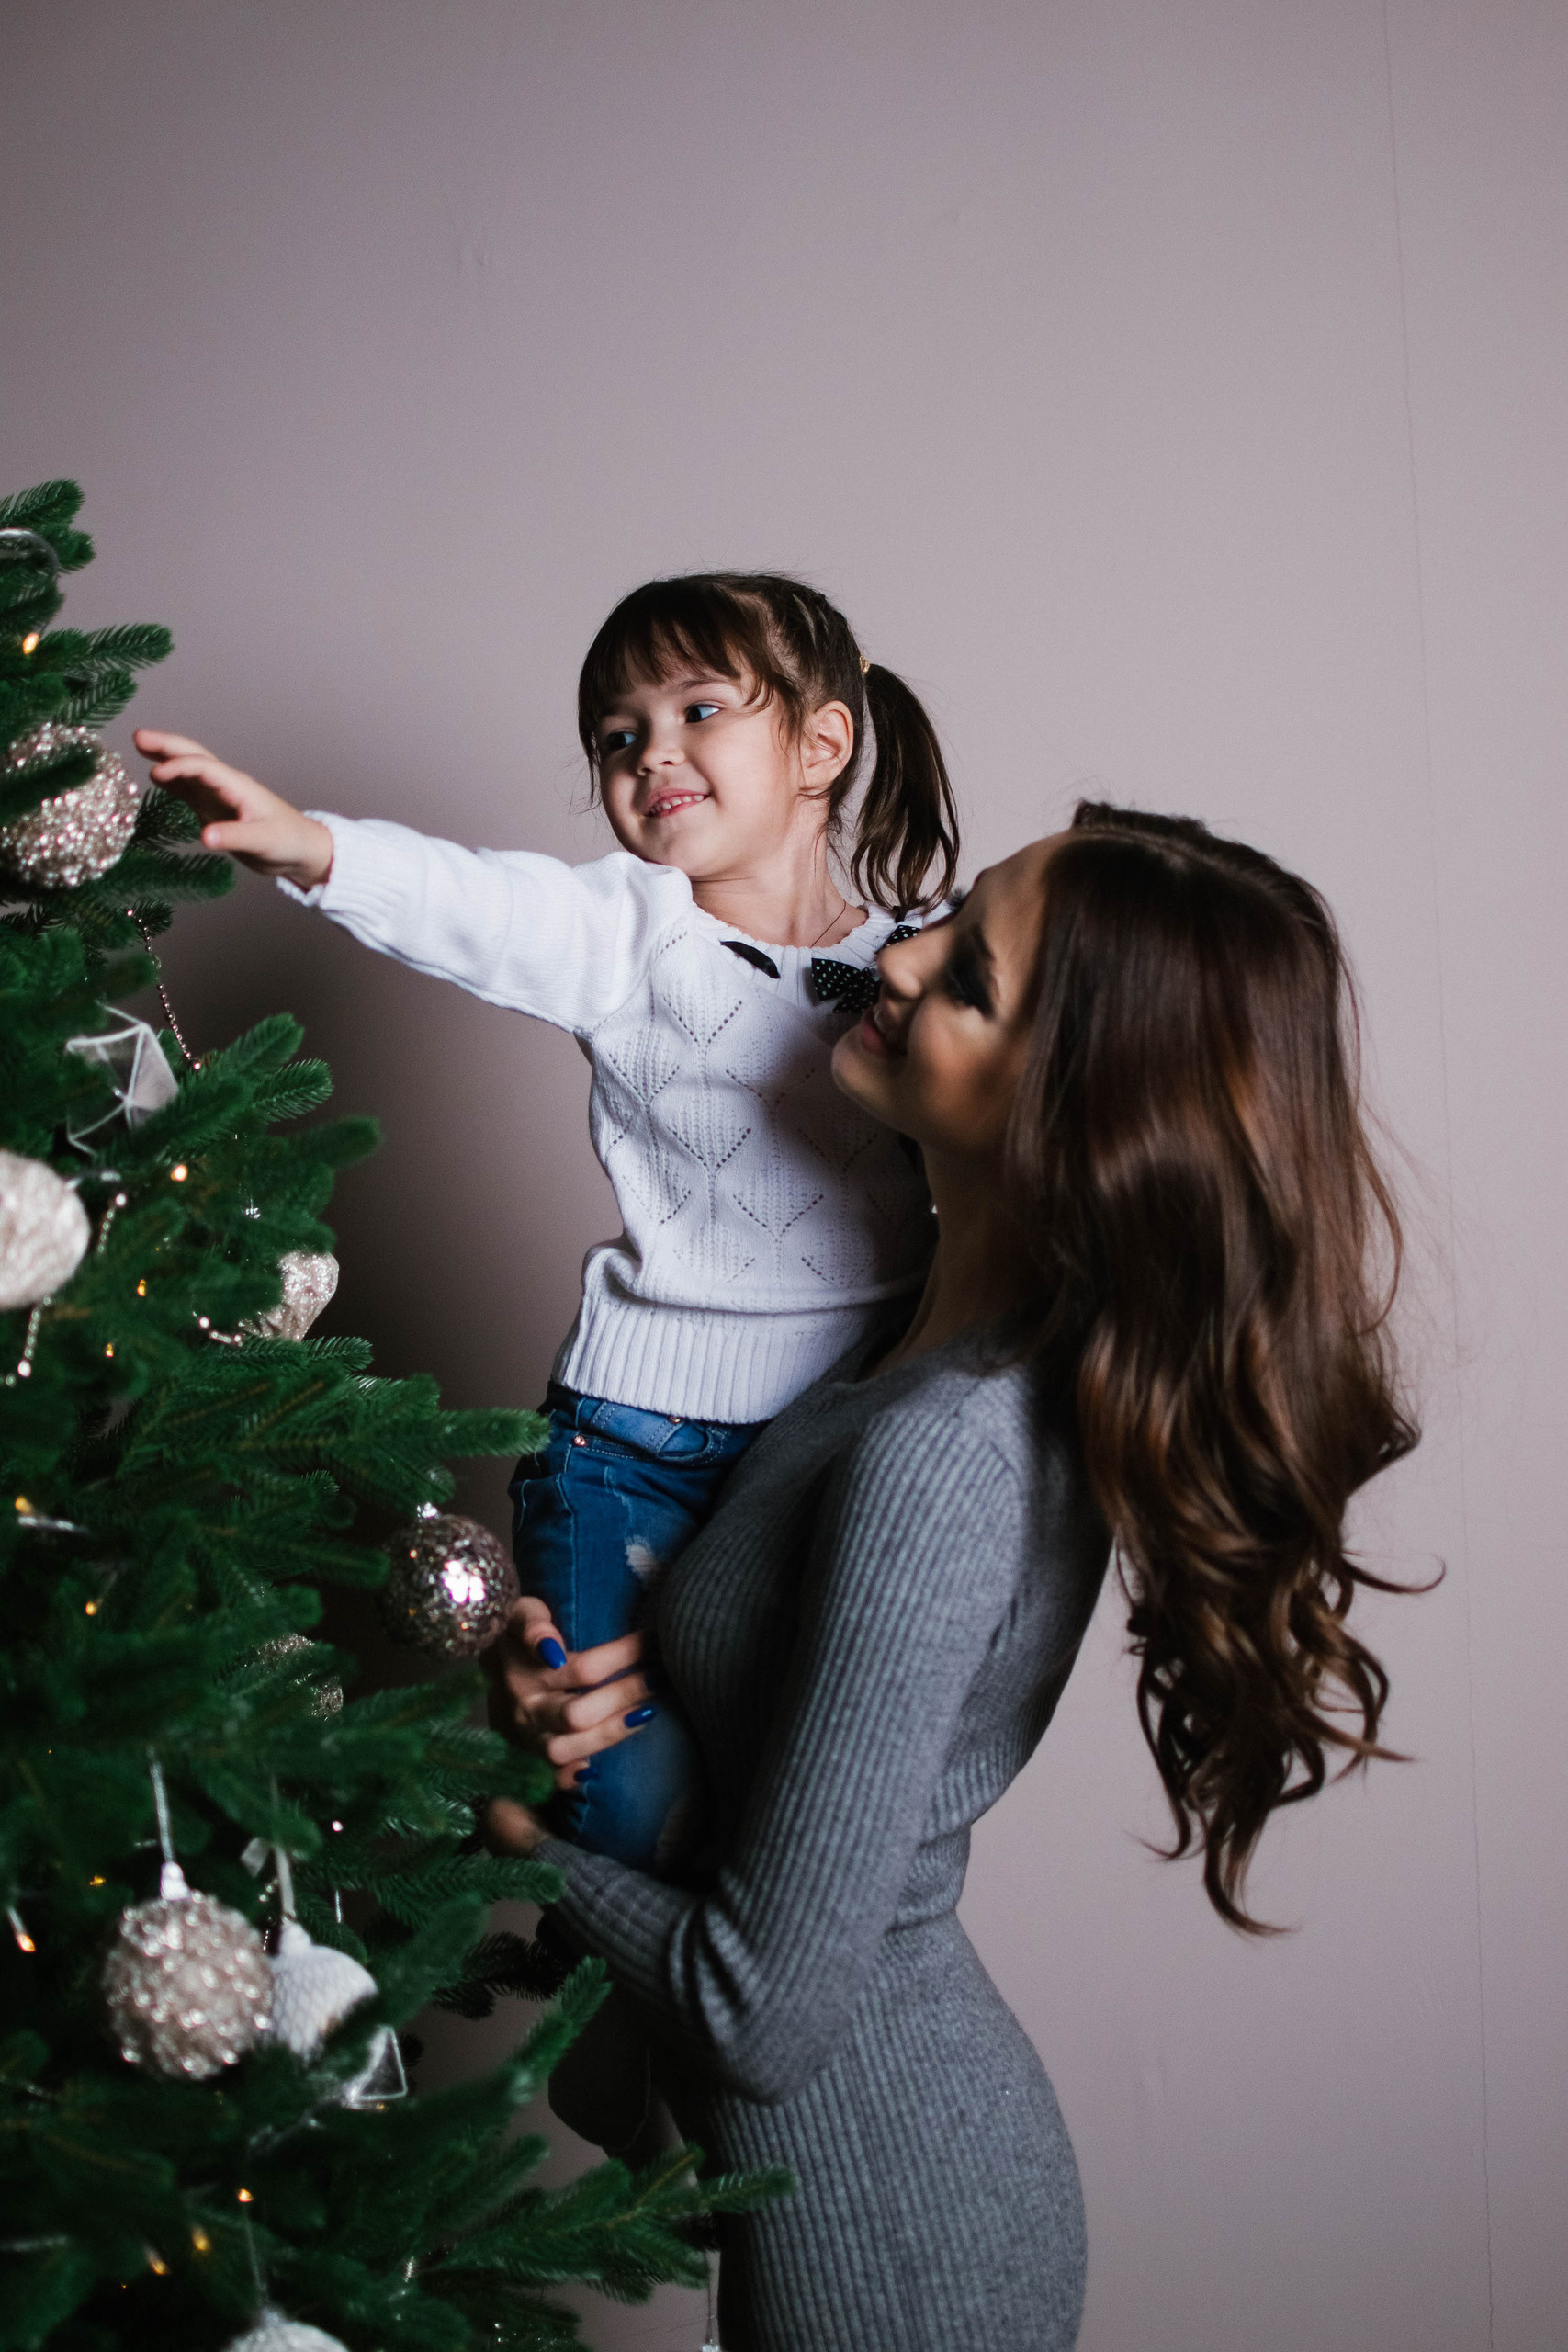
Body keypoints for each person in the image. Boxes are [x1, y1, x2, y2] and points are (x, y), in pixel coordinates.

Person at [485, 804, 1418, 2352]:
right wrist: (579, 1715)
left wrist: (509, 1839)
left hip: (902, 2243)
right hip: (837, 2199)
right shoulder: (897, 1345)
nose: (892, 961)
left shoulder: (955, 1450)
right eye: (944, 917)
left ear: (1077, 1111)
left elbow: (762, 2013)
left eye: (967, 977)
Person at [135, 571, 959, 1879]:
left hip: (836, 1447)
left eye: (699, 710)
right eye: (620, 735)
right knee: (620, 1791)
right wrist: (315, 848)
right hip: (633, 1452)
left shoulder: (926, 964)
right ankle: (614, 2023)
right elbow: (482, 903)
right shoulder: (629, 932)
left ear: (822, 744)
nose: (654, 755)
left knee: (800, 1799)